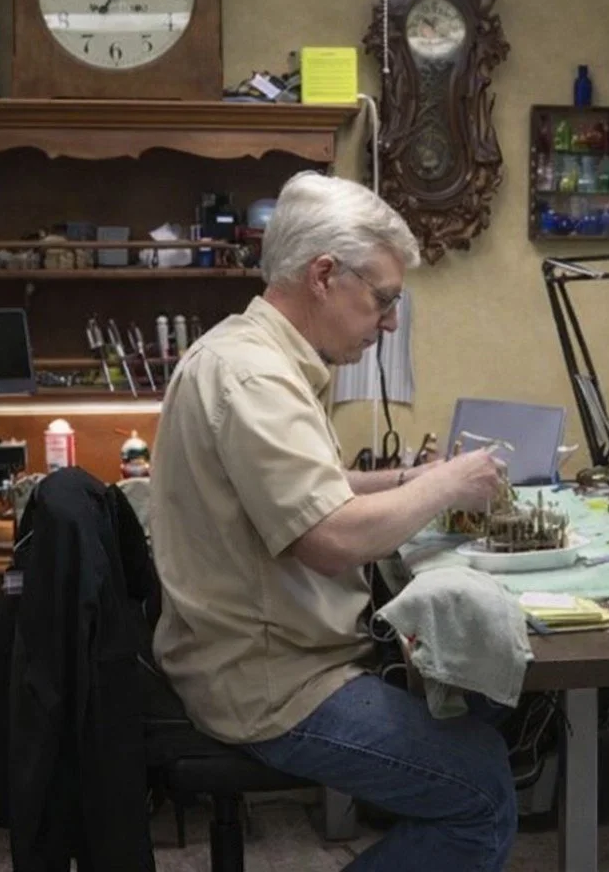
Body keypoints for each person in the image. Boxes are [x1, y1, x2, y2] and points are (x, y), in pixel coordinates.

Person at [148, 171, 516, 870]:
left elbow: (308, 490)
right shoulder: (255, 378)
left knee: (483, 713)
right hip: (270, 684)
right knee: (482, 794)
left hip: (267, 657)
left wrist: (407, 478)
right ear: (323, 275)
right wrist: (444, 484)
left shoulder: (252, 354)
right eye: (383, 300)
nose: (390, 323)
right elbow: (330, 537)